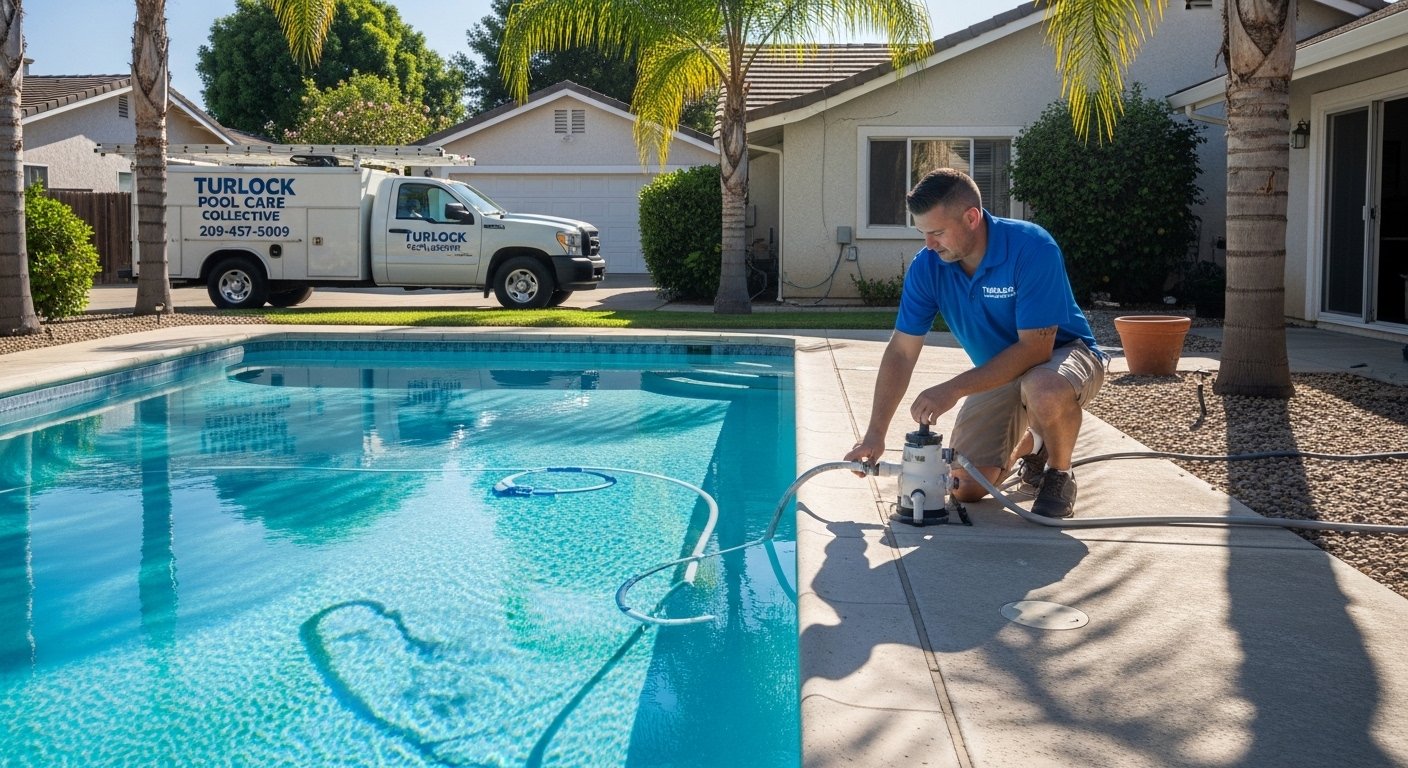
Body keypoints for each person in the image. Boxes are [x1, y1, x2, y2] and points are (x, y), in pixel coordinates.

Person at [843, 168, 1105, 519]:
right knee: (963, 487)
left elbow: (1035, 350)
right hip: (998, 372)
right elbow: (902, 351)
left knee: (1042, 386)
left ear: (971, 217)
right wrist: (874, 435)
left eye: (936, 232)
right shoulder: (928, 268)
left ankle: (1058, 473)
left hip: (1062, 356)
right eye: (923, 233)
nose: (929, 244)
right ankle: (1034, 443)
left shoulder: (1031, 246)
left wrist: (952, 389)